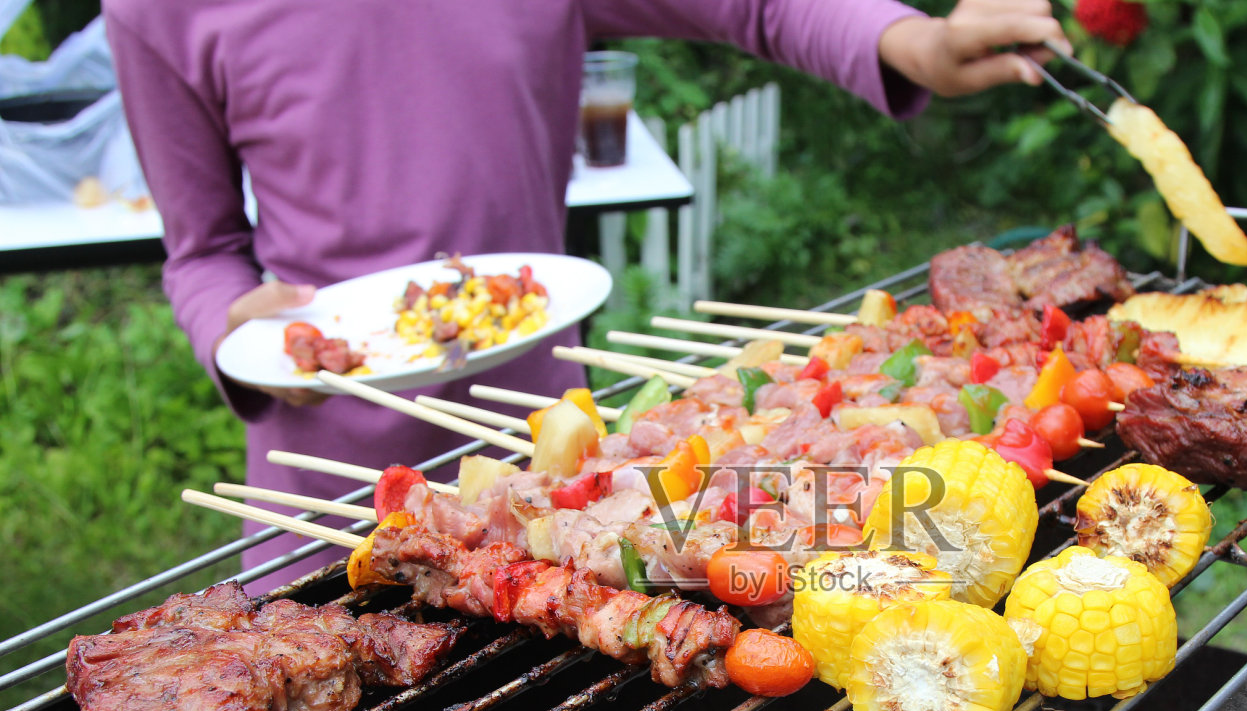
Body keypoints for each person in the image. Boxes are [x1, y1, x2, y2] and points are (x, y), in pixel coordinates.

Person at [103, 0, 1068, 583]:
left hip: (561, 467)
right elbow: (202, 254)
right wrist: (236, 325)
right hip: (326, 493)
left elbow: (756, 6)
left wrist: (910, 40)